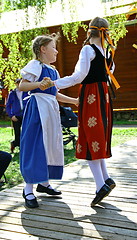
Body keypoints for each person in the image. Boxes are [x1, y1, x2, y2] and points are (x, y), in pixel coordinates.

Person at [45, 17, 120, 207]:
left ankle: (100, 185)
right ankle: (106, 179)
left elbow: (79, 76)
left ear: (90, 31)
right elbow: (110, 72)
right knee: (98, 136)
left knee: (89, 138)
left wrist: (55, 83)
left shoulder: (88, 49)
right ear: (105, 32)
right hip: (103, 97)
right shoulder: (107, 51)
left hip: (91, 96)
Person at [19, 34, 78, 208]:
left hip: (50, 110)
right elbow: (22, 86)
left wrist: (74, 101)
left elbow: (55, 93)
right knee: (36, 145)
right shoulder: (35, 65)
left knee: (49, 145)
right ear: (43, 49)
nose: (57, 50)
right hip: (37, 110)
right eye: (53, 47)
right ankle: (28, 189)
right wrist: (38, 84)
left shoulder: (53, 70)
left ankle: (43, 184)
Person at [6, 79, 29, 153]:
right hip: (16, 115)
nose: (19, 85)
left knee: (26, 131)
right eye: (17, 83)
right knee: (17, 133)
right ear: (15, 84)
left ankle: (24, 146)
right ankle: (15, 144)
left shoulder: (27, 92)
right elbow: (8, 106)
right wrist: (11, 115)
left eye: (20, 83)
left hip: (26, 114)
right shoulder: (12, 93)